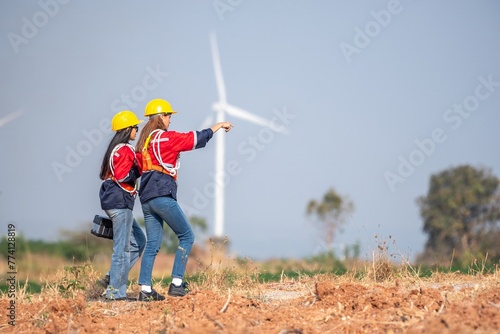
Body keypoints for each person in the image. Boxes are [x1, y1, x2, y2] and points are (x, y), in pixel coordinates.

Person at [136, 98, 233, 301]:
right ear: (160, 117)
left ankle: (145, 289)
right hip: (162, 194)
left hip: (146, 198)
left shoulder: (144, 142)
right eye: (168, 115)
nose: (171, 119)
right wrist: (217, 126)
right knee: (187, 236)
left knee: (152, 244)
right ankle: (177, 283)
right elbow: (193, 139)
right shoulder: (165, 139)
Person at [98, 110, 147, 300]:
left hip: (116, 202)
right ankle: (115, 293)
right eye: (135, 127)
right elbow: (123, 176)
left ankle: (113, 276)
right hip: (120, 203)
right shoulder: (125, 150)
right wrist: (139, 168)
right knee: (123, 249)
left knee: (139, 241)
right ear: (128, 129)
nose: (137, 130)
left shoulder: (115, 150)